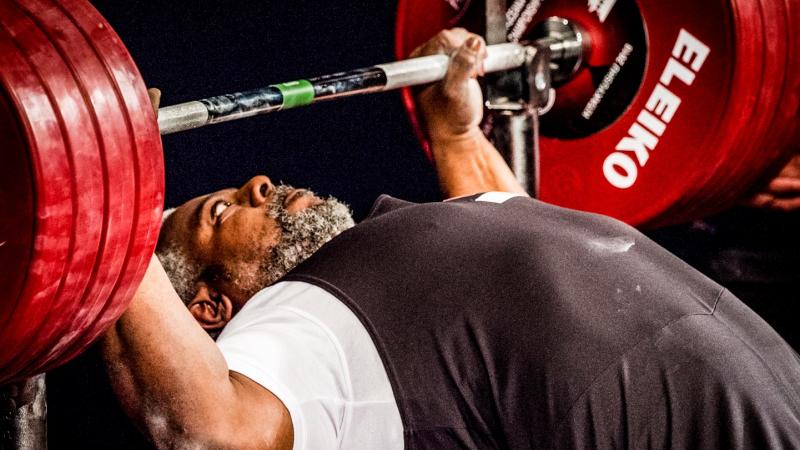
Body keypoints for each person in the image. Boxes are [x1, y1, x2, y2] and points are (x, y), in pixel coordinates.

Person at [100, 29, 800, 449]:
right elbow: (210, 431)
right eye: (217, 214)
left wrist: (454, 130)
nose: (257, 183)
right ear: (209, 308)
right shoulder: (295, 327)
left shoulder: (397, 253)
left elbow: (512, 226)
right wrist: (112, 204)